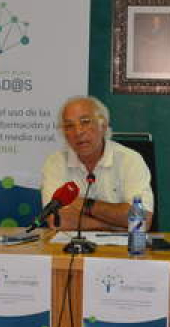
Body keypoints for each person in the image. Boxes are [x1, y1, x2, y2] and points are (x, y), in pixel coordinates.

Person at [40, 96, 154, 231]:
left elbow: (142, 219)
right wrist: (113, 225)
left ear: (103, 126)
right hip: (71, 248)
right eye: (69, 125)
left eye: (85, 122)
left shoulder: (130, 160)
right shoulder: (55, 163)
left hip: (123, 250)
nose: (78, 132)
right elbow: (57, 220)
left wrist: (85, 205)